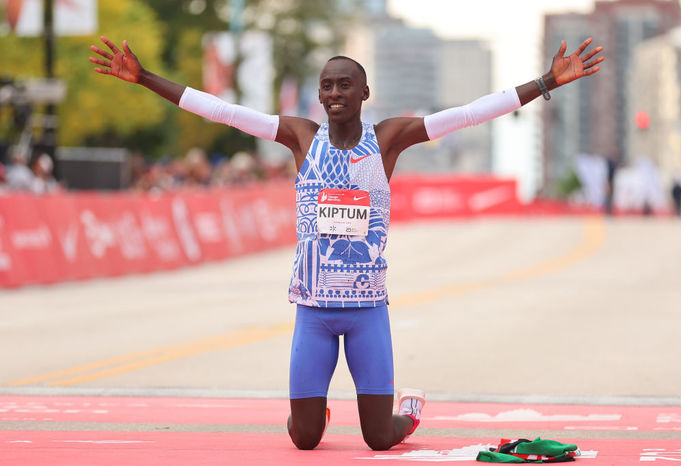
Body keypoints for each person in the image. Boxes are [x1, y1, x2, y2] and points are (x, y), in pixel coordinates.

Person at [90, 34, 604, 451]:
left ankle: (409, 409)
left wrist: (545, 81)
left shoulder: (387, 139)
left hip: (366, 312)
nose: (334, 93)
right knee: (304, 438)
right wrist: (142, 79)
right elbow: (220, 111)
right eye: (327, 86)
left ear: (364, 93)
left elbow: (470, 112)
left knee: (379, 440)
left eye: (345, 85)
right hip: (313, 312)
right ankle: (312, 411)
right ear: (319, 96)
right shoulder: (299, 137)